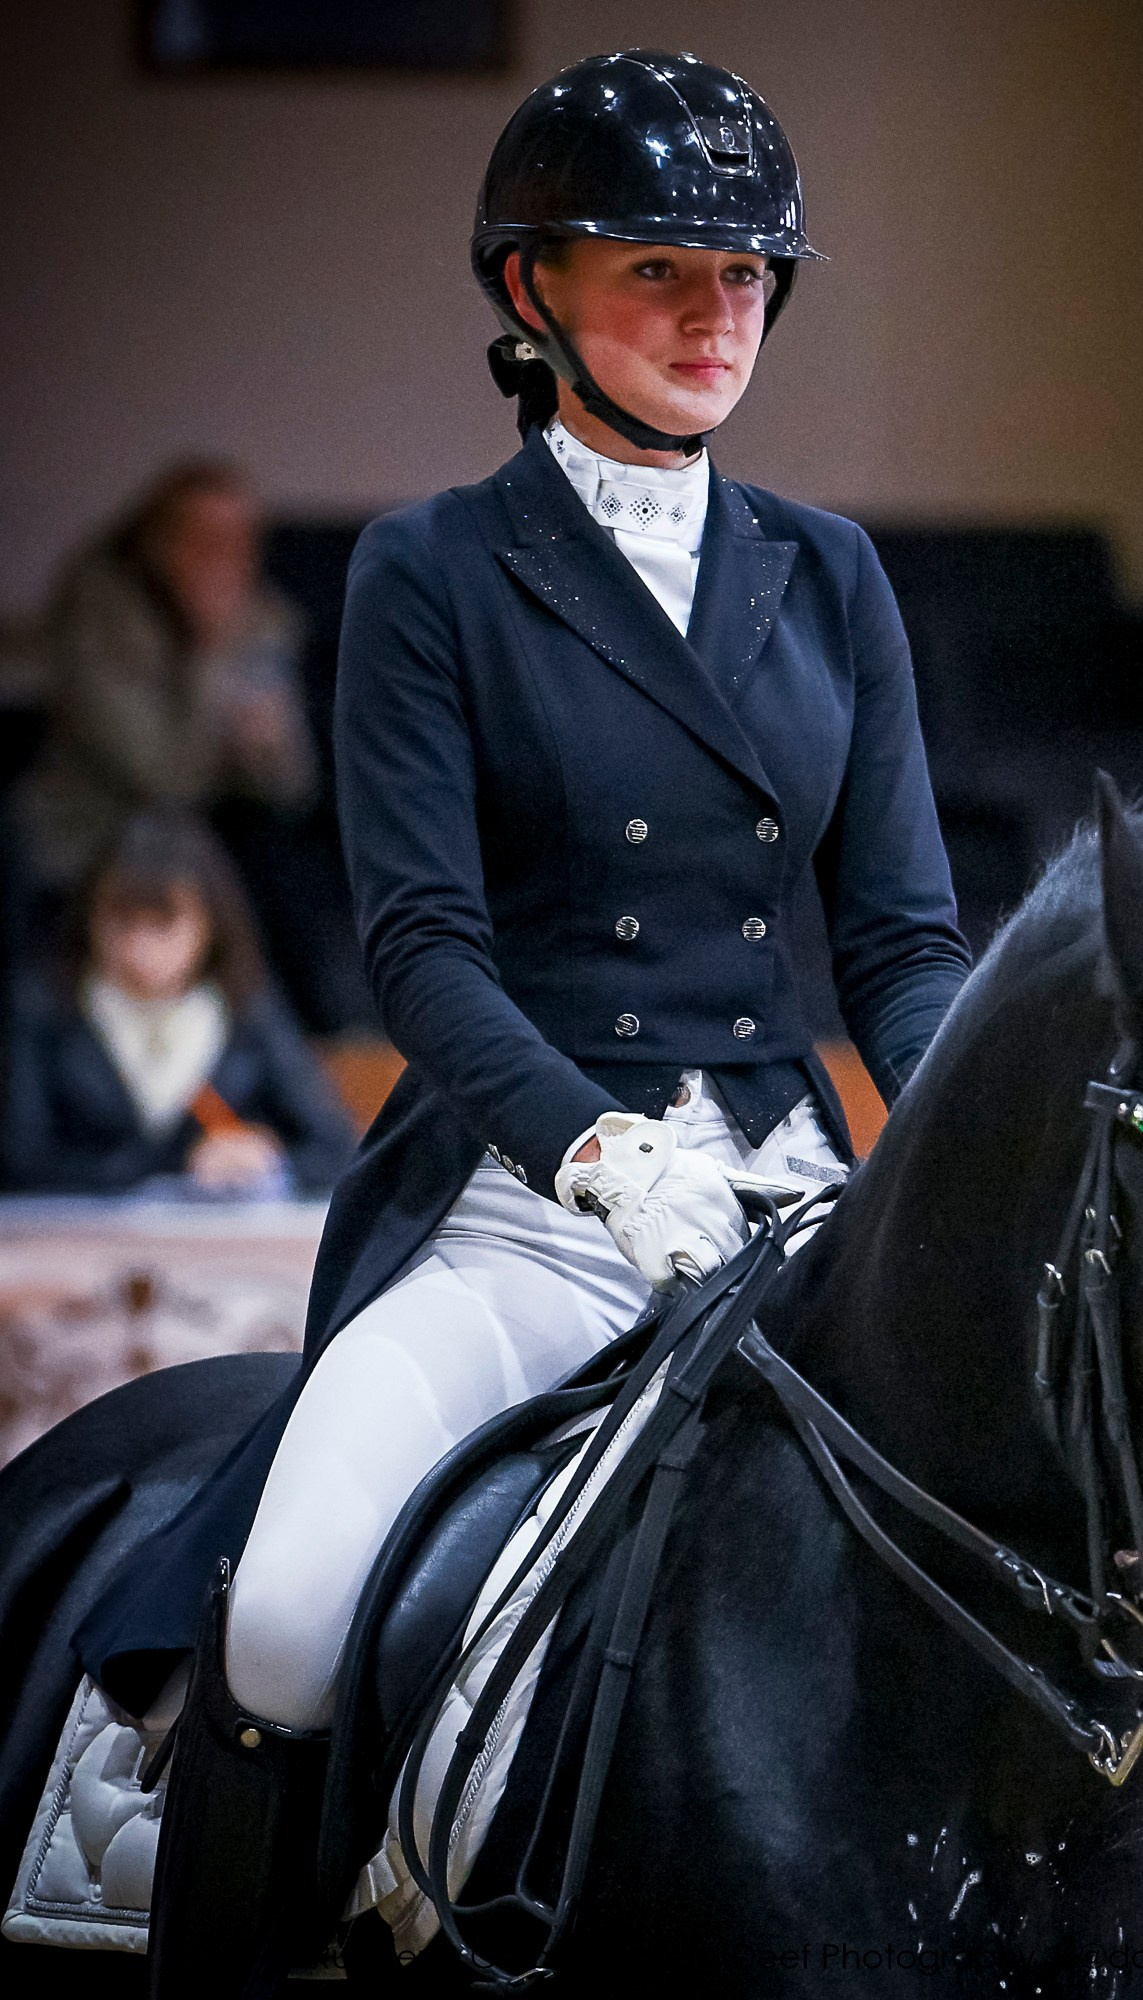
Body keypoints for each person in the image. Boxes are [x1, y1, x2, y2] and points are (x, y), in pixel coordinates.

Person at [78, 51, 972, 1992]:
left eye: (745, 277)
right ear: (531, 291)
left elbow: (899, 941)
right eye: (660, 270)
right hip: (525, 1201)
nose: (716, 315)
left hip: (799, 1211)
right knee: (297, 1611)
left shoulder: (830, 575)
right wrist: (593, 1145)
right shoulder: (433, 572)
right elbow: (421, 947)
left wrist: (989, 1141)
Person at [17, 459, 374, 1034]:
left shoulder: (264, 618)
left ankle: (345, 1052)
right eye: (203, 539)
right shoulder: (101, 611)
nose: (224, 557)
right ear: (156, 542)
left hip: (213, 844)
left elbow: (292, 786)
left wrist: (267, 743)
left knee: (304, 879)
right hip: (95, 839)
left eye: (240, 540)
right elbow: (161, 774)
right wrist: (208, 647)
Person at [4, 812, 354, 1196]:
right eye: (121, 923)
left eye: (163, 925)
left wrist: (268, 1160)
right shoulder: (45, 1009)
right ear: (90, 917)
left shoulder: (247, 1010)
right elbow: (20, 1162)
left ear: (210, 922)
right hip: (64, 1248)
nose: (140, 950)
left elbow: (336, 1150)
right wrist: (178, 1168)